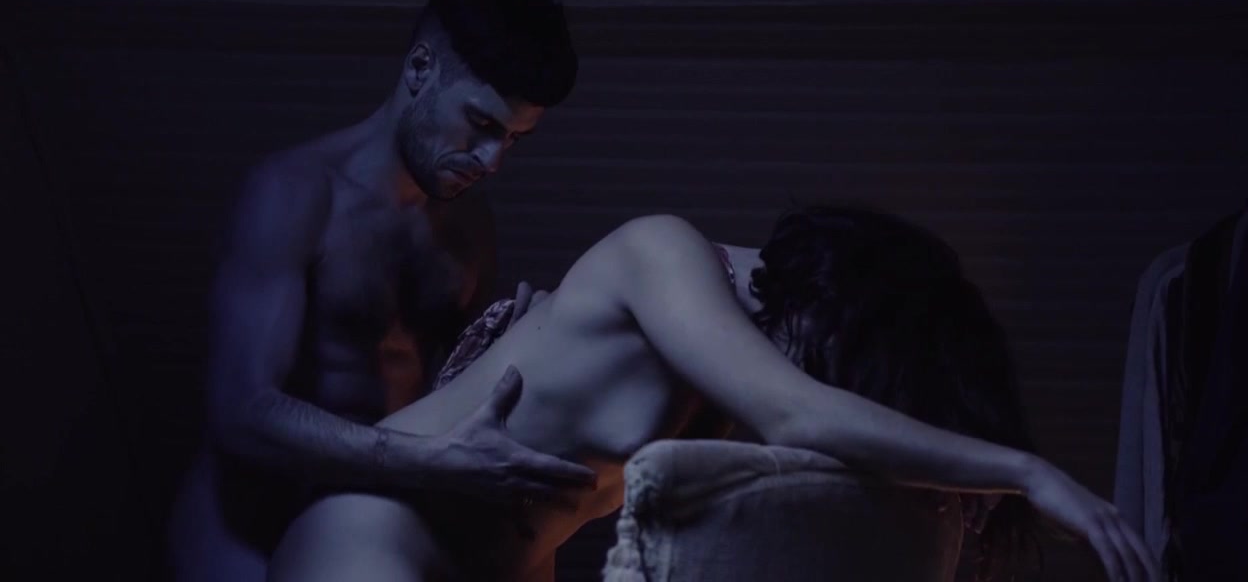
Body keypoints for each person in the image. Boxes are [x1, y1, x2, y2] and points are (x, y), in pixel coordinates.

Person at [268, 206, 1158, 582]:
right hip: (374, 538)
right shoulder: (662, 252)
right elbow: (800, 412)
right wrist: (1027, 471)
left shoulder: (724, 379)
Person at [167, 0, 598, 582]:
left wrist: (513, 347)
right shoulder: (293, 196)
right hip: (247, 539)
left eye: (511, 139)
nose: (491, 161)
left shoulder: (469, 225)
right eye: (480, 124)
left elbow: (447, 389)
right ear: (420, 68)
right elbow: (240, 411)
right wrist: (427, 462)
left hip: (357, 524)